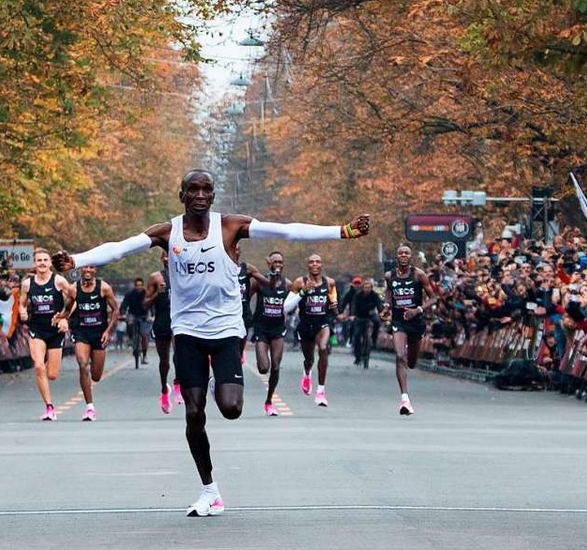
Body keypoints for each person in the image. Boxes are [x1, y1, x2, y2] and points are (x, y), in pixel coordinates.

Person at [53, 168, 368, 516]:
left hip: (226, 331)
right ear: (182, 195)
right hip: (187, 331)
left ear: (213, 196)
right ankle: (210, 490)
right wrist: (77, 260)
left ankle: (220, 377)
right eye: (193, 190)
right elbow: (118, 250)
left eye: (206, 190)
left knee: (231, 408)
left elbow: (287, 231)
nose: (200, 195)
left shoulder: (230, 226)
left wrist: (343, 231)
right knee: (193, 410)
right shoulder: (167, 232)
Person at [18, 248, 74, 421]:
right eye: (39, 260)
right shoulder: (28, 284)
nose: (42, 263)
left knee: (52, 375)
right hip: (37, 329)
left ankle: (48, 362)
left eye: (45, 260)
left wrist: (65, 318)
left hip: (55, 330)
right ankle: (49, 407)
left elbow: (75, 300)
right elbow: (21, 303)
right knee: (38, 366)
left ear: (50, 263)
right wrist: (23, 312)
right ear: (35, 263)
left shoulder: (59, 281)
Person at [383, 243, 436, 416]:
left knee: (411, 362)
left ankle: (410, 362)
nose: (404, 255)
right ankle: (405, 399)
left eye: (407, 253)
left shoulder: (419, 275)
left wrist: (417, 310)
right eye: (401, 253)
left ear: (410, 256)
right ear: (397, 257)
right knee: (399, 356)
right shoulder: (389, 275)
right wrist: (386, 306)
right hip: (399, 320)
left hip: (416, 321)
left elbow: (433, 298)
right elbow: (389, 293)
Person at [67, 265, 119, 421]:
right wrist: (61, 316)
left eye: (91, 268)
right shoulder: (73, 288)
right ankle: (89, 407)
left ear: (95, 270)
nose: (87, 271)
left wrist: (107, 331)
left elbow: (116, 310)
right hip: (81, 332)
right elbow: (67, 308)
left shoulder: (103, 287)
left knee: (96, 376)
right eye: (85, 268)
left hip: (98, 333)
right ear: (80, 270)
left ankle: (91, 385)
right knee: (83, 365)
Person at [290, 253, 338, 407]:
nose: (315, 264)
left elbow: (333, 301)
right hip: (305, 325)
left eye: (318, 261)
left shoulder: (329, 282)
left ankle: (321, 392)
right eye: (312, 262)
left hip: (322, 324)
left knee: (323, 349)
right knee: (309, 359)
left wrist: (335, 307)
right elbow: (289, 305)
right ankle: (307, 372)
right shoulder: (299, 282)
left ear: (321, 264)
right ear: (308, 265)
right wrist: (303, 291)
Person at [252, 250, 291, 415]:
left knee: (275, 366)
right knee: (263, 368)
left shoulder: (287, 284)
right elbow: (243, 298)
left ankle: (269, 401)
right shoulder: (260, 282)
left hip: (277, 329)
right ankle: (260, 361)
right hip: (261, 328)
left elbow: (296, 300)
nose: (278, 265)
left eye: (280, 262)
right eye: (275, 262)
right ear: (269, 263)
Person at [144, 252, 183, 413]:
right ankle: (164, 390)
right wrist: (156, 294)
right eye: (165, 256)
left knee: (179, 354)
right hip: (162, 321)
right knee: (164, 361)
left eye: (170, 255)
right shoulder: (155, 278)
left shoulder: (184, 273)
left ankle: (178, 384)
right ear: (162, 258)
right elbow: (145, 304)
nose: (168, 258)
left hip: (180, 320)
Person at [341, 278, 384, 366]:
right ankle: (357, 356)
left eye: (369, 287)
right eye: (365, 287)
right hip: (359, 316)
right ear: (363, 288)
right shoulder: (357, 295)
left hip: (370, 315)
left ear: (371, 288)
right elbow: (354, 305)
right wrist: (352, 315)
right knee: (356, 334)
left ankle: (374, 339)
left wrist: (381, 312)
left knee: (377, 322)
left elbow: (379, 305)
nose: (367, 289)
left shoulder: (375, 295)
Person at [120, 277, 151, 364]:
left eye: (140, 285)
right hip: (132, 315)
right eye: (137, 285)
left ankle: (144, 356)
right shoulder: (129, 294)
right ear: (135, 286)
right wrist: (122, 313)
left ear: (143, 285)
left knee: (144, 336)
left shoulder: (146, 294)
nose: (139, 287)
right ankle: (130, 339)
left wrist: (152, 315)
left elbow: (151, 305)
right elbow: (124, 305)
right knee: (129, 322)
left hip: (144, 316)